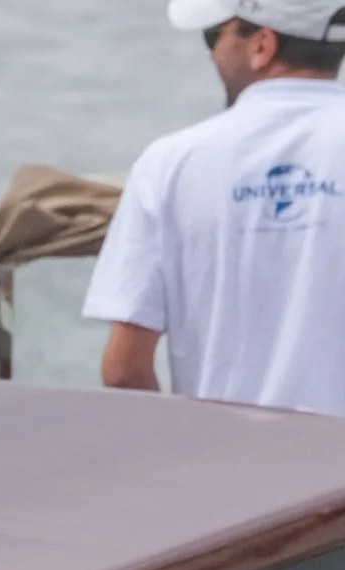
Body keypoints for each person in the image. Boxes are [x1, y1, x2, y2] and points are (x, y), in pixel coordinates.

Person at [83, 1, 345, 413]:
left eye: (214, 35)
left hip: (229, 470)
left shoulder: (169, 163)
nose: (211, 54)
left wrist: (185, 456)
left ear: (263, 44)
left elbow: (124, 370)